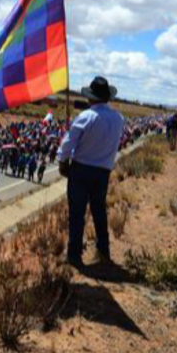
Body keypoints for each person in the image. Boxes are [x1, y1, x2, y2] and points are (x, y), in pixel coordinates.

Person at [57, 76, 125, 268]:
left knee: (77, 214)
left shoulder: (86, 116)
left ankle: (74, 255)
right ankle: (103, 251)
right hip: (102, 172)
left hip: (81, 170)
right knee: (99, 211)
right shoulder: (118, 118)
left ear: (91, 97)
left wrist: (63, 162)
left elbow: (68, 143)